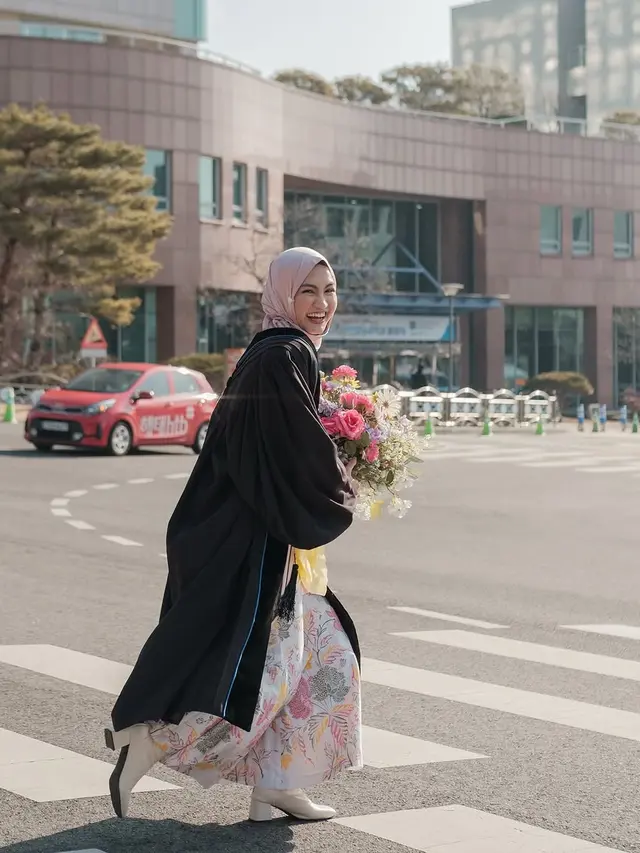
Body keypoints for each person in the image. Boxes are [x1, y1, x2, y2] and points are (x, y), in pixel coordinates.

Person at [105, 247, 362, 823]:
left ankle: (276, 784)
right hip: (259, 540)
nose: (321, 304)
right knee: (278, 668)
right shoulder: (287, 353)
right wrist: (347, 472)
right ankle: (148, 743)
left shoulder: (269, 348)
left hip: (250, 531)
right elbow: (295, 446)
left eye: (329, 291)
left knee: (303, 659)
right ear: (283, 295)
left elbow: (273, 439)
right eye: (307, 291)